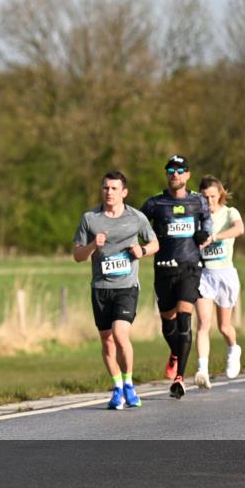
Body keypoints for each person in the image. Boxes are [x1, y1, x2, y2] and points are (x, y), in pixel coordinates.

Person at [74, 171, 159, 409]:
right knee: (107, 341)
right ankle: (117, 387)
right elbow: (77, 256)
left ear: (124, 192)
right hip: (101, 288)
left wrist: (141, 251)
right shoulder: (90, 219)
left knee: (120, 334)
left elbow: (155, 243)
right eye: (105, 188)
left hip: (127, 287)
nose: (108, 192)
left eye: (113, 188)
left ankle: (130, 385)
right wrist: (93, 245)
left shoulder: (136, 217)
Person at [141, 155, 213, 399]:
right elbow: (138, 225)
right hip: (163, 268)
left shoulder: (198, 201)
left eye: (180, 170)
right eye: (171, 170)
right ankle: (175, 353)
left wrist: (205, 234)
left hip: (190, 267)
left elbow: (207, 221)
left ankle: (180, 378)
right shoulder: (155, 204)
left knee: (184, 319)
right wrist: (146, 238)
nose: (175, 174)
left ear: (188, 175)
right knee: (168, 322)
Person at [194, 176, 245, 388]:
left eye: (213, 196)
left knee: (224, 327)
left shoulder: (229, 212)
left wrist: (214, 237)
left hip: (225, 274)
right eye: (205, 198)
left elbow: (239, 229)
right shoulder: (196, 217)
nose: (209, 201)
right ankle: (202, 370)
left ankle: (234, 349)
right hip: (204, 275)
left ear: (220, 194)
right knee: (203, 324)